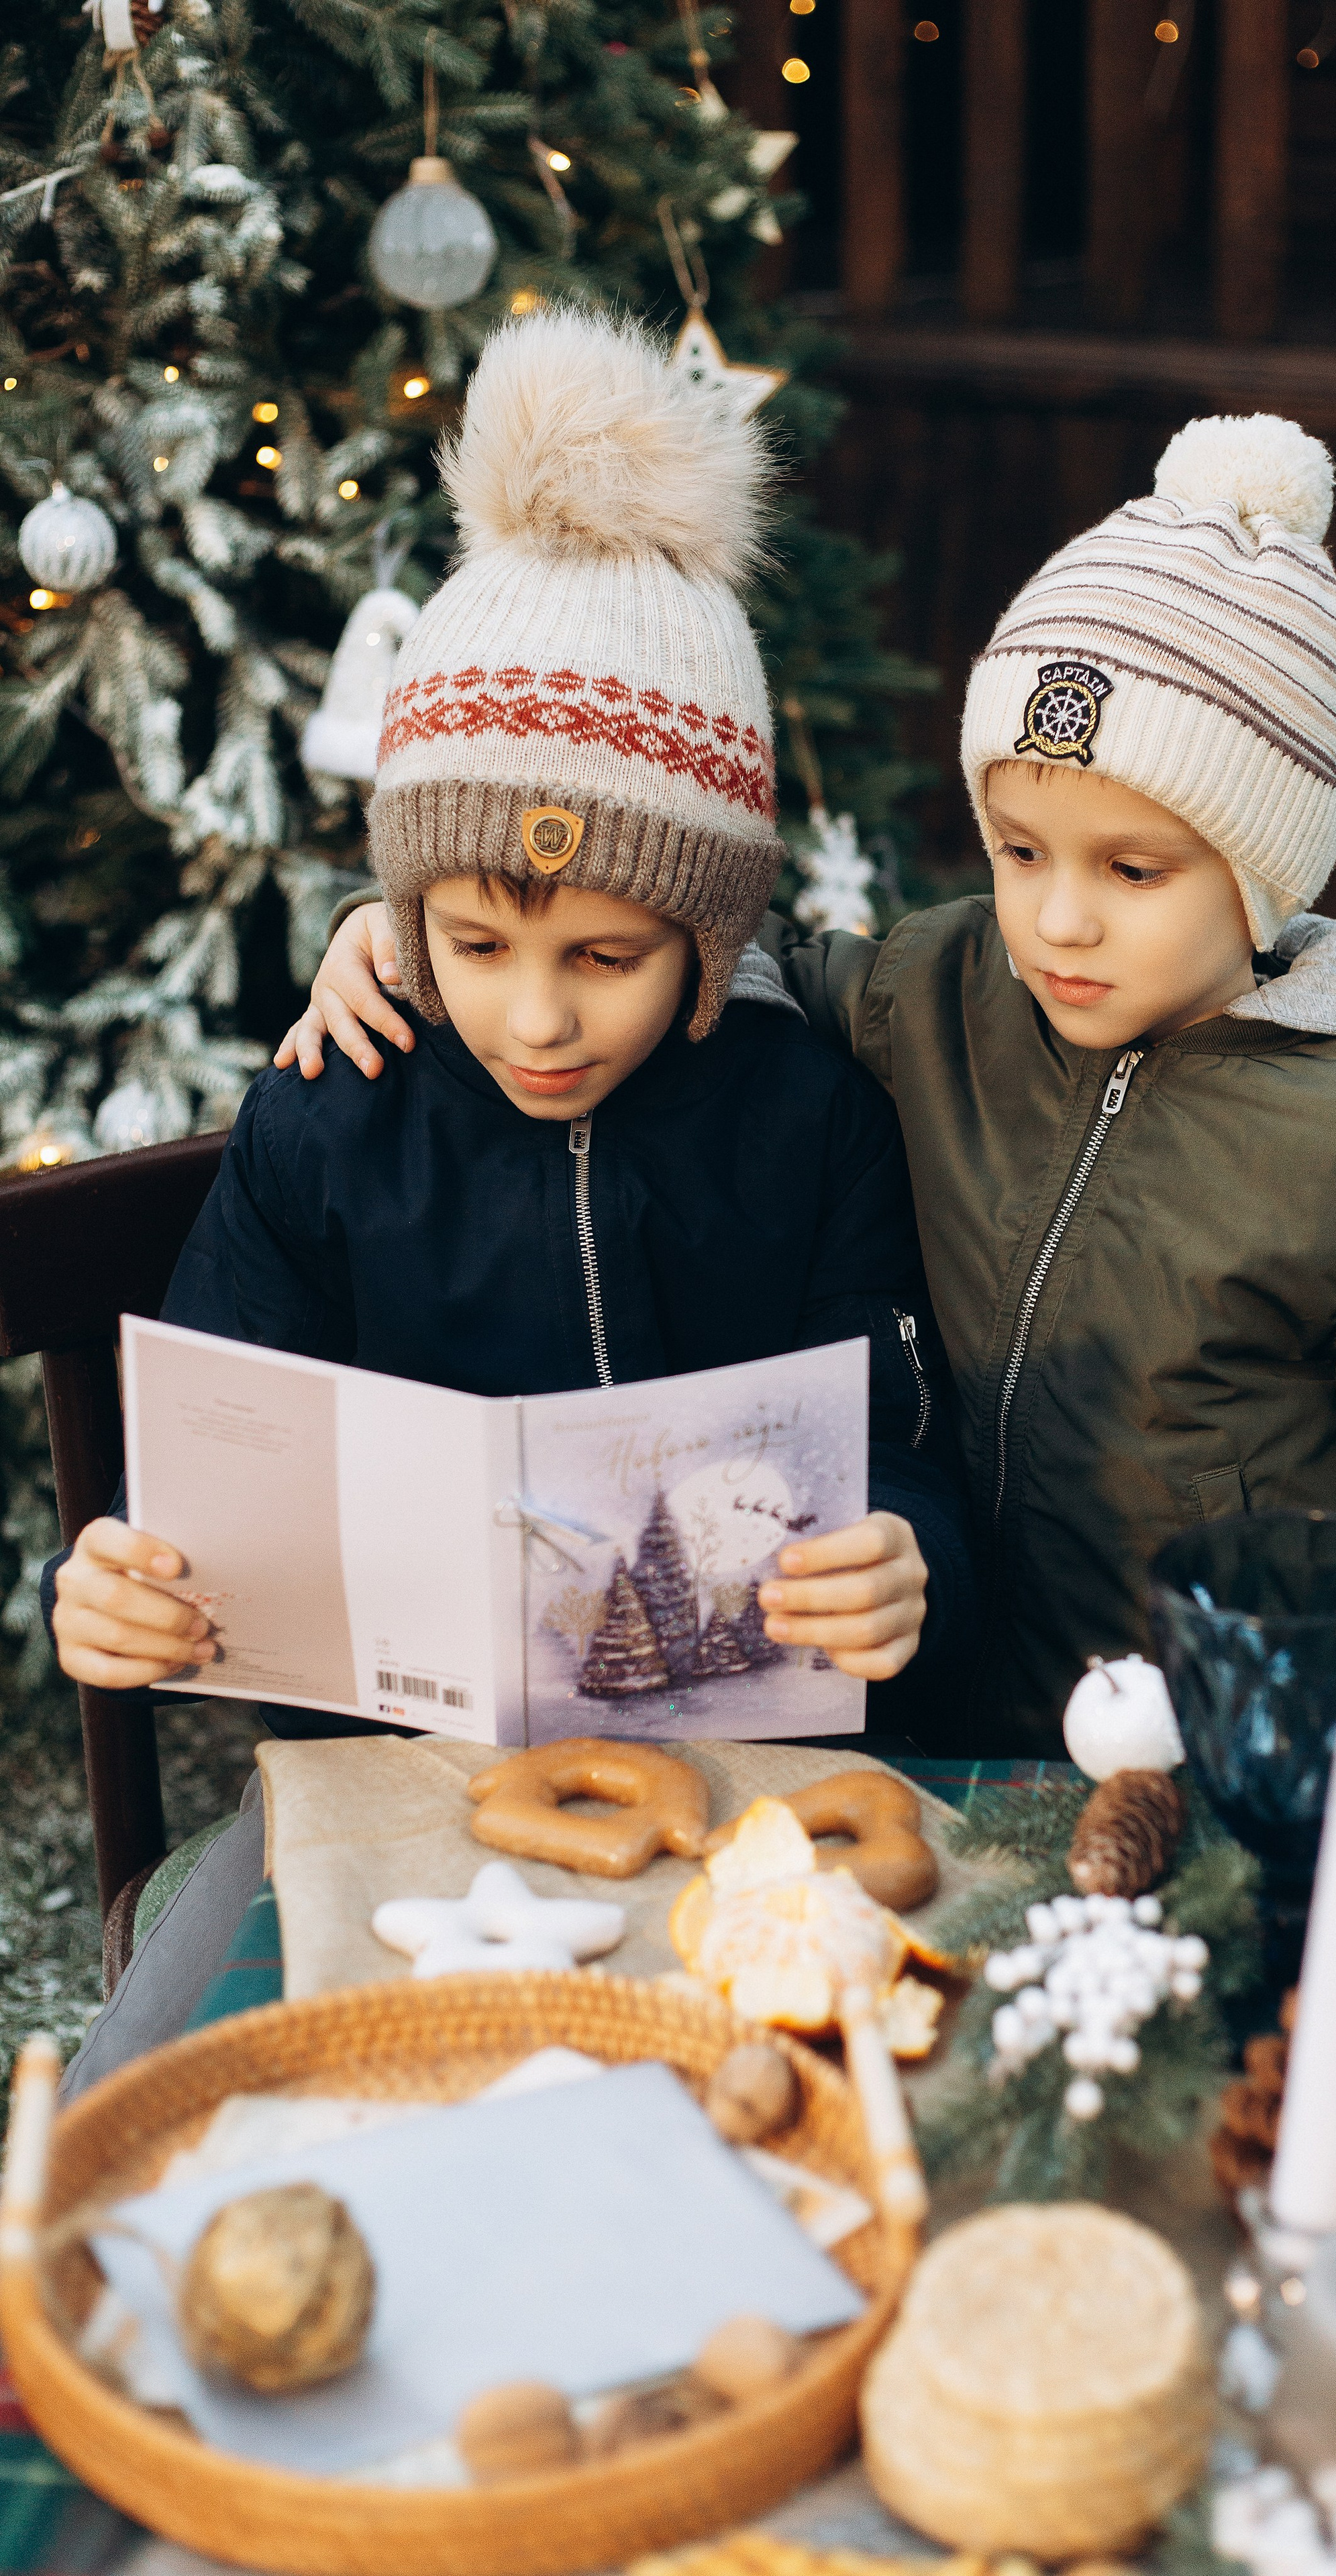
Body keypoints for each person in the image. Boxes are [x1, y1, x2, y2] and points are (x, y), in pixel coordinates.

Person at [280, 409, 1336, 1760]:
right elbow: (699, 949)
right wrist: (404, 922)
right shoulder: (937, 992)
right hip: (929, 1733)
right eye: (1019, 852)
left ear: (1264, 871)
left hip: (1204, 1769)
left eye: (1129, 870)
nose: (1057, 921)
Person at [48, 306, 974, 2086]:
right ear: (399, 917)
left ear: (709, 939)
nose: (536, 1017)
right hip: (371, 1793)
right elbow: (200, 1472)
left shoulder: (804, 1120)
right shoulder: (334, 1117)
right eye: (473, 942)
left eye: (611, 954)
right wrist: (118, 1586)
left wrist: (910, 1551)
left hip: (752, 1789)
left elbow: (902, 1430)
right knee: (207, 2110)